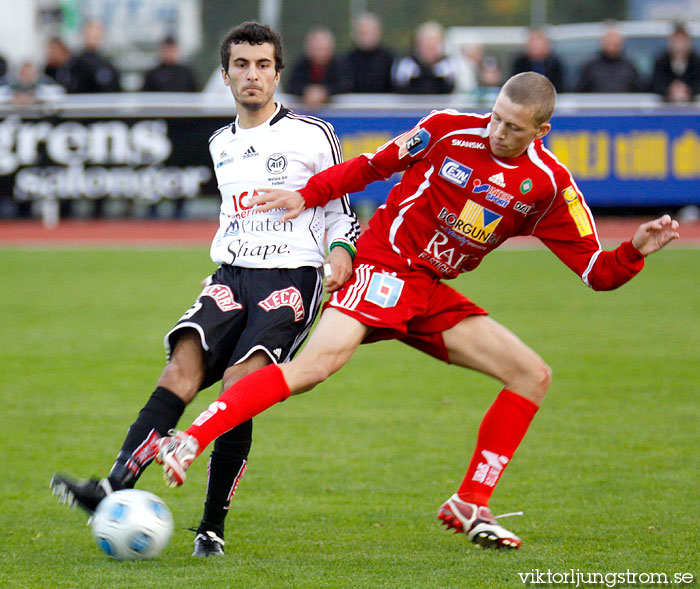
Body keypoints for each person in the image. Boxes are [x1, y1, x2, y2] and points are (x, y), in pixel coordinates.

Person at [153, 72, 679, 550]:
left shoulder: (548, 186)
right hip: (384, 266)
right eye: (495, 115)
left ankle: (471, 500)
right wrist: (307, 195)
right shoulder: (448, 129)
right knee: (313, 369)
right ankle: (189, 441)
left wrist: (634, 250)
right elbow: (372, 166)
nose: (497, 131)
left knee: (531, 375)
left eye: (514, 127)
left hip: (427, 289)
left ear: (541, 130)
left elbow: (597, 273)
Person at [50, 21, 360, 558]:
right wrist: (223, 261)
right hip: (232, 276)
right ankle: (113, 487)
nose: (252, 75)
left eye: (263, 65)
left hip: (292, 278)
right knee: (181, 369)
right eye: (241, 65)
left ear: (277, 73)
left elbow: (341, 213)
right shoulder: (220, 143)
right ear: (225, 74)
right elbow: (232, 214)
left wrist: (340, 254)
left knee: (240, 385)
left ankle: (210, 528)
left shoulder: (313, 135)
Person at [286, 27, 350, 109]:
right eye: (316, 48)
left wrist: (325, 92)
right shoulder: (300, 65)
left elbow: (345, 85)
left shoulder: (340, 65)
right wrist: (306, 92)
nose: (319, 53)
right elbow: (291, 85)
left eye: (323, 49)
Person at [391, 21, 455, 94]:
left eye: (434, 44)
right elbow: (399, 89)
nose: (430, 48)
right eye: (427, 44)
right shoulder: (407, 64)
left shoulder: (449, 65)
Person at [576, 25, 642, 93]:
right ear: (602, 43)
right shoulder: (590, 67)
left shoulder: (629, 66)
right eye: (609, 43)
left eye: (615, 44)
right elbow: (580, 91)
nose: (612, 48)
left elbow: (640, 90)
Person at [649, 23, 700, 103]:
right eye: (676, 40)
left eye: (682, 40)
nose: (679, 44)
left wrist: (687, 90)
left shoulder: (696, 61)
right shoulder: (661, 61)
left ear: (688, 41)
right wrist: (670, 90)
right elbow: (655, 83)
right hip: (664, 108)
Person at [344, 12, 394, 93]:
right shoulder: (347, 59)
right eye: (362, 33)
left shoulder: (389, 58)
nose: (366, 37)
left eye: (370, 32)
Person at [70, 19, 122, 94]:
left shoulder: (107, 62)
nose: (93, 36)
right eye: (90, 32)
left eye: (96, 32)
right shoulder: (74, 63)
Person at [511, 28, 564, 92]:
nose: (535, 45)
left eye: (539, 41)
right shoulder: (520, 63)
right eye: (532, 41)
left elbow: (559, 87)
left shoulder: (554, 64)